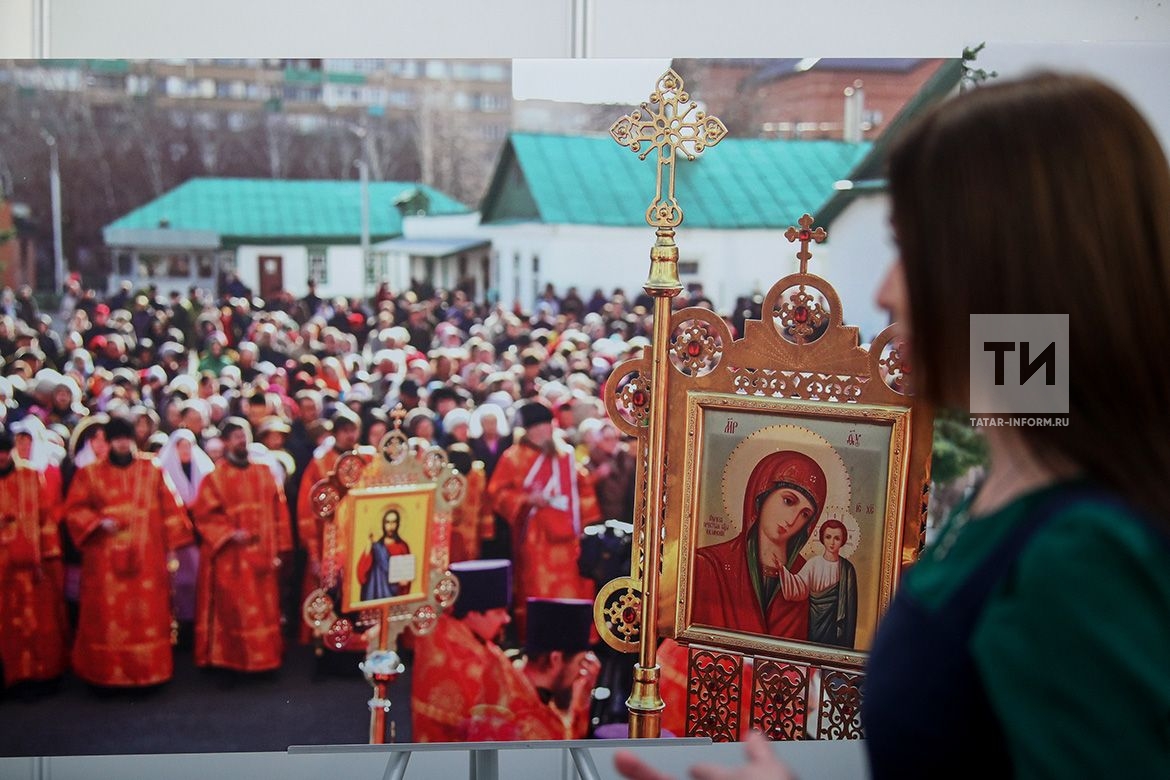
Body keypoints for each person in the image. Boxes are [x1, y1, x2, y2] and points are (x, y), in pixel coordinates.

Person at [617, 73, 1170, 779]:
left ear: (1018, 274)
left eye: (915, 250)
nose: (885, 292)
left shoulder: (1085, 554)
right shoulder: (1022, 479)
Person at [62, 415, 193, 687]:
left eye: (126, 438)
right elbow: (74, 510)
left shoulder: (152, 469)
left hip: (148, 560)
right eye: (117, 439)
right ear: (109, 442)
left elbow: (171, 509)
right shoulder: (90, 473)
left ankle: (149, 673)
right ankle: (107, 676)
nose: (123, 444)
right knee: (108, 618)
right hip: (104, 562)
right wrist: (97, 522)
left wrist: (172, 549)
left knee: (147, 616)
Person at [487, 400, 602, 637]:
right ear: (526, 430)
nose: (542, 431)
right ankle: (540, 640)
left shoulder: (565, 455)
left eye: (545, 425)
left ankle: (573, 638)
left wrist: (586, 525)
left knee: (572, 586)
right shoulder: (513, 457)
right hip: (535, 538)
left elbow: (583, 489)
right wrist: (527, 499)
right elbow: (497, 493)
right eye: (536, 427)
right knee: (538, 586)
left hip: (569, 537)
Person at [189, 418, 292, 672]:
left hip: (264, 556)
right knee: (234, 611)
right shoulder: (215, 477)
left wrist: (282, 547)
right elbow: (204, 515)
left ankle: (265, 661)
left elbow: (279, 510)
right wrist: (229, 533)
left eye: (244, 435)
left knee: (265, 610)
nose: (242, 440)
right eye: (236, 436)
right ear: (225, 442)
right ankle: (231, 665)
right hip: (231, 558)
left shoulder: (265, 472)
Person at [690, 450, 826, 639]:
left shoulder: (807, 577)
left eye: (805, 514)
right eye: (788, 501)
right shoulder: (710, 565)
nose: (792, 520)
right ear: (762, 494)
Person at [410, 559, 516, 742]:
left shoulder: (467, 637)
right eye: (499, 612)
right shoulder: (452, 652)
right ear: (473, 613)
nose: (507, 619)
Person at [467, 597, 601, 741]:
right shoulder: (531, 723)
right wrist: (579, 703)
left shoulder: (505, 669)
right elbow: (566, 747)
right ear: (555, 659)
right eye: (580, 663)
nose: (580, 674)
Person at [0, 427, 70, 690]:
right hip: (1, 570)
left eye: (4, 452)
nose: (1, 457)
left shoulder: (30, 476)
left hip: (32, 566)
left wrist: (49, 558)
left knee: (36, 623)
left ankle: (40, 677)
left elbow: (45, 518)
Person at [800, 518, 857, 649]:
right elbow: (798, 587)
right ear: (822, 538)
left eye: (837, 538)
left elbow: (850, 608)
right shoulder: (813, 563)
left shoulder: (847, 569)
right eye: (828, 537)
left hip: (835, 626)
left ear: (843, 540)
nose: (832, 542)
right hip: (813, 622)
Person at [355, 505, 412, 602]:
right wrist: (368, 548)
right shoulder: (376, 547)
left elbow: (406, 576)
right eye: (388, 522)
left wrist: (404, 580)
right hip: (375, 595)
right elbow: (362, 574)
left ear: (398, 524)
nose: (391, 526)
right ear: (383, 524)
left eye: (394, 522)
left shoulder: (402, 546)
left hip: (394, 596)